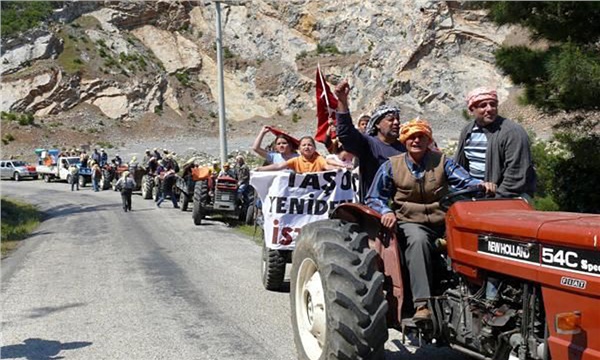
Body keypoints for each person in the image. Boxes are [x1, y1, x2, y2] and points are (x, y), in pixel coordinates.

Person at [366, 119, 497, 322]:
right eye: (412, 137)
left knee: (477, 238)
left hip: (443, 221)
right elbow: (374, 197)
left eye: (421, 137)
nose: (416, 140)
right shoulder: (391, 166)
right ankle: (422, 304)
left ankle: (480, 298)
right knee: (418, 241)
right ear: (404, 140)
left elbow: (465, 181)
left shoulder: (442, 161)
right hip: (410, 222)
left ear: (429, 140)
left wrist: (481, 185)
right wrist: (386, 211)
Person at [455, 88, 536, 199]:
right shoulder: (467, 131)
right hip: (476, 194)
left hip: (508, 197)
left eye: (493, 104)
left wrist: (494, 198)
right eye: (483, 105)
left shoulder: (512, 132)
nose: (489, 109)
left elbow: (516, 175)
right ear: (471, 110)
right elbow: (460, 167)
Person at [335, 79, 406, 199]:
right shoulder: (368, 144)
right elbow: (345, 133)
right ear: (377, 124)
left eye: (397, 119)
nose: (396, 123)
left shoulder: (405, 149)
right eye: (390, 119)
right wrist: (342, 101)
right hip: (374, 210)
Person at [257, 136, 344, 173]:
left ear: (314, 148)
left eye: (309, 145)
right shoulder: (296, 160)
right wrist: (260, 169)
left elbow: (327, 166)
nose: (307, 147)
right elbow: (278, 166)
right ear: (299, 149)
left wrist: (337, 169)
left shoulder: (318, 159)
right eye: (304, 145)